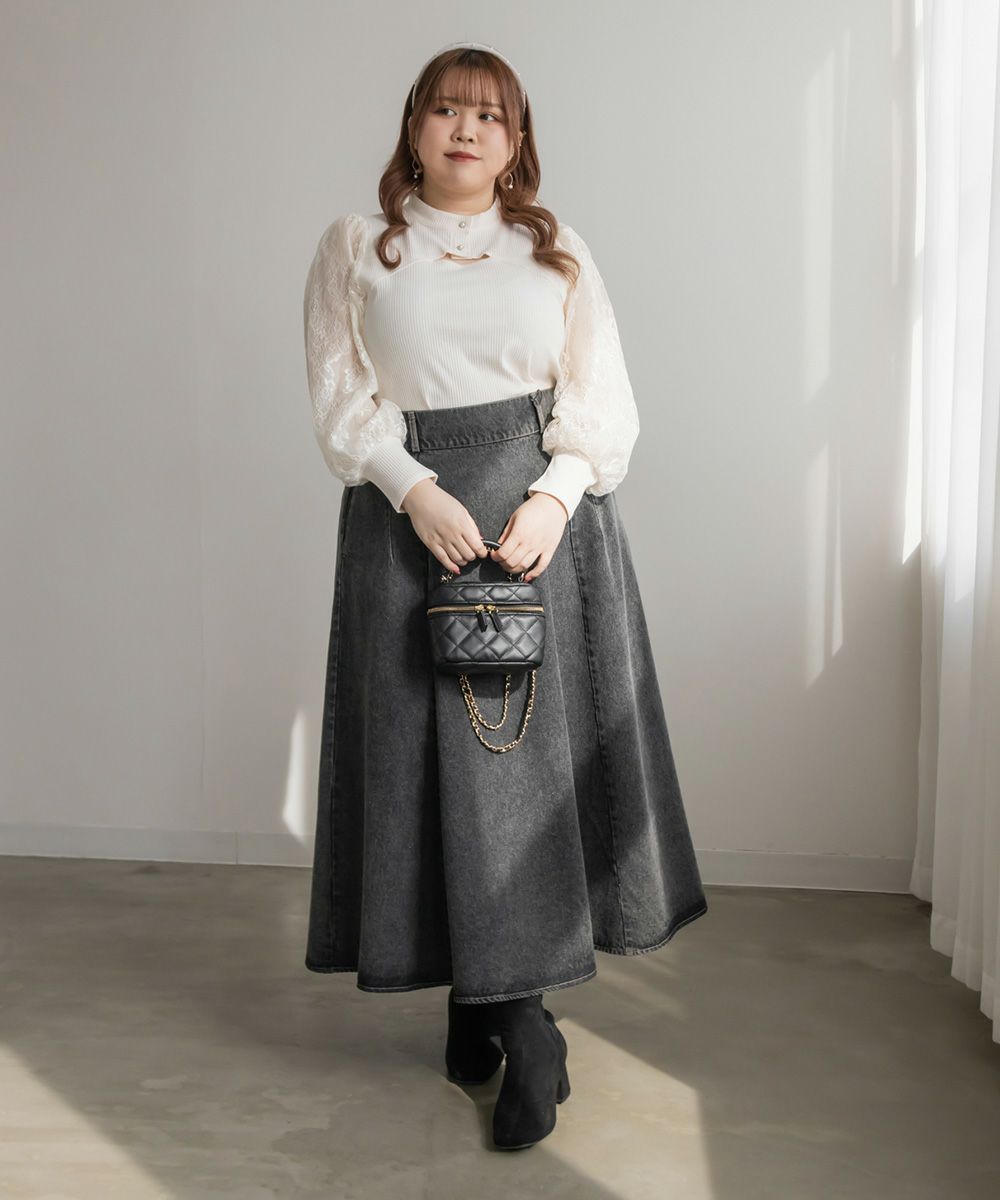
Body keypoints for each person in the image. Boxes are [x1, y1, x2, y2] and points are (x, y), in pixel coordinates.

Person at [302, 41, 708, 1151]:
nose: (466, 130)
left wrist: (555, 498)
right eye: (445, 110)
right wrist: (414, 491)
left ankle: (519, 1022)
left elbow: (601, 396)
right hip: (407, 527)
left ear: (516, 139)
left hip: (542, 529)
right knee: (424, 771)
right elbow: (340, 402)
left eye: (489, 115)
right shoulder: (357, 247)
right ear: (414, 126)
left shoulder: (554, 246)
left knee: (521, 784)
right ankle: (484, 1002)